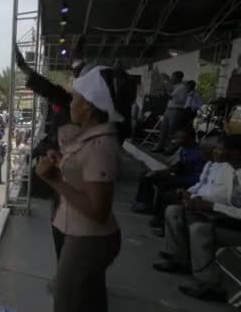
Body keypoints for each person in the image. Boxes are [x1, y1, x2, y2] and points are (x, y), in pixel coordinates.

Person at [36, 66, 130, 312]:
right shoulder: (90, 137)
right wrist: (60, 162)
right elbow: (82, 174)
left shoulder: (100, 145)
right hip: (83, 235)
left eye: (75, 98)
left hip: (88, 240)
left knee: (67, 304)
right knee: (90, 303)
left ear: (88, 105)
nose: (71, 104)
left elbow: (98, 210)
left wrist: (55, 180)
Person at [153, 136, 241, 301]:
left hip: (235, 225)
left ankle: (210, 284)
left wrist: (212, 206)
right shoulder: (230, 169)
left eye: (219, 149)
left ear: (236, 153)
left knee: (199, 229)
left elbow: (225, 203)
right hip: (227, 218)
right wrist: (195, 199)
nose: (215, 151)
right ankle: (180, 259)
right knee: (174, 211)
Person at [153, 71, 187, 153]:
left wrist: (170, 96)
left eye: (173, 77)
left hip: (176, 109)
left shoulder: (182, 87)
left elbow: (181, 100)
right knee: (163, 129)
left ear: (179, 78)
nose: (172, 78)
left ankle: (170, 148)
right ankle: (160, 146)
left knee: (172, 131)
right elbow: (169, 94)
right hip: (168, 109)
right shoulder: (174, 86)